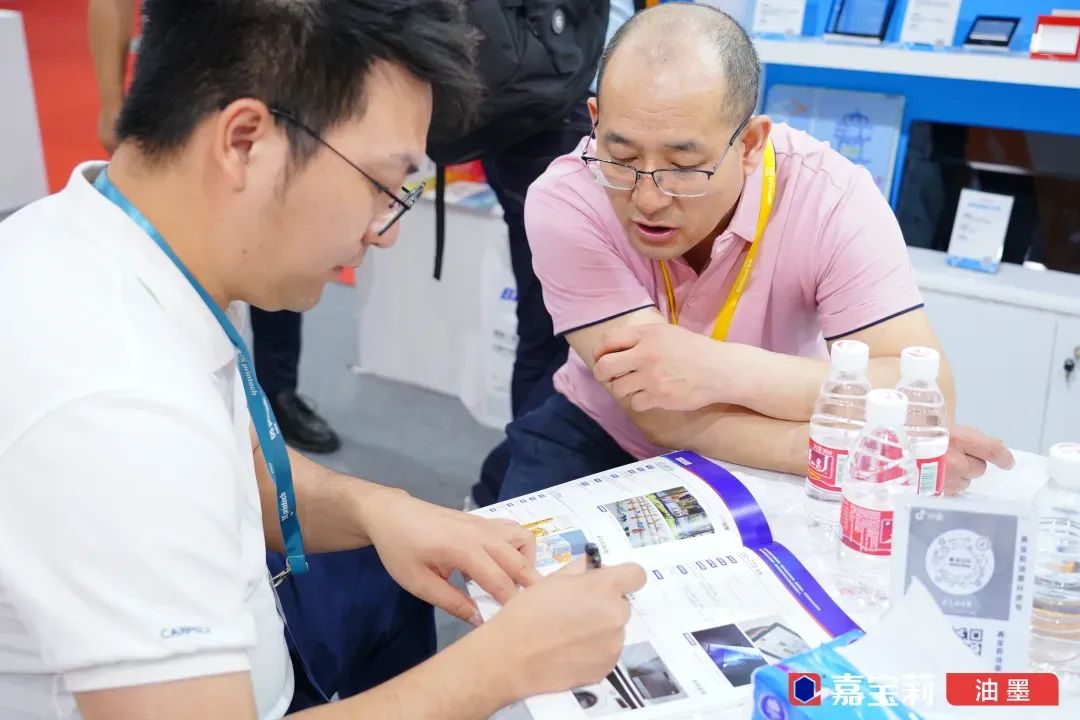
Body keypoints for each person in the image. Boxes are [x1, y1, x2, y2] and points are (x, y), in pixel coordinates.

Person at [0, 2, 645, 719]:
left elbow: (233, 466)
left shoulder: (103, 241)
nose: (384, 231)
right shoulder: (115, 408)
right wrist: (504, 665)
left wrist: (375, 508)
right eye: (382, 184)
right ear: (245, 141)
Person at [500, 4, 1015, 503]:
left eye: (685, 166)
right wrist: (843, 449)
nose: (649, 199)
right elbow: (655, 408)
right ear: (595, 121)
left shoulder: (829, 196)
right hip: (603, 431)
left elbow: (925, 392)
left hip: (771, 422)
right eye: (622, 156)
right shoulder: (567, 198)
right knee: (516, 556)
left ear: (749, 144)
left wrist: (717, 368)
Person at [88, 0, 341, 454]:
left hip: (283, 70)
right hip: (185, 75)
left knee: (277, 230)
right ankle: (175, 388)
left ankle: (276, 392)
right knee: (179, 240)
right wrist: (110, 100)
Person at [472, 0, 639, 508]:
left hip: (537, 111)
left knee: (546, 326)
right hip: (554, 114)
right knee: (566, 334)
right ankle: (516, 482)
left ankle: (511, 483)